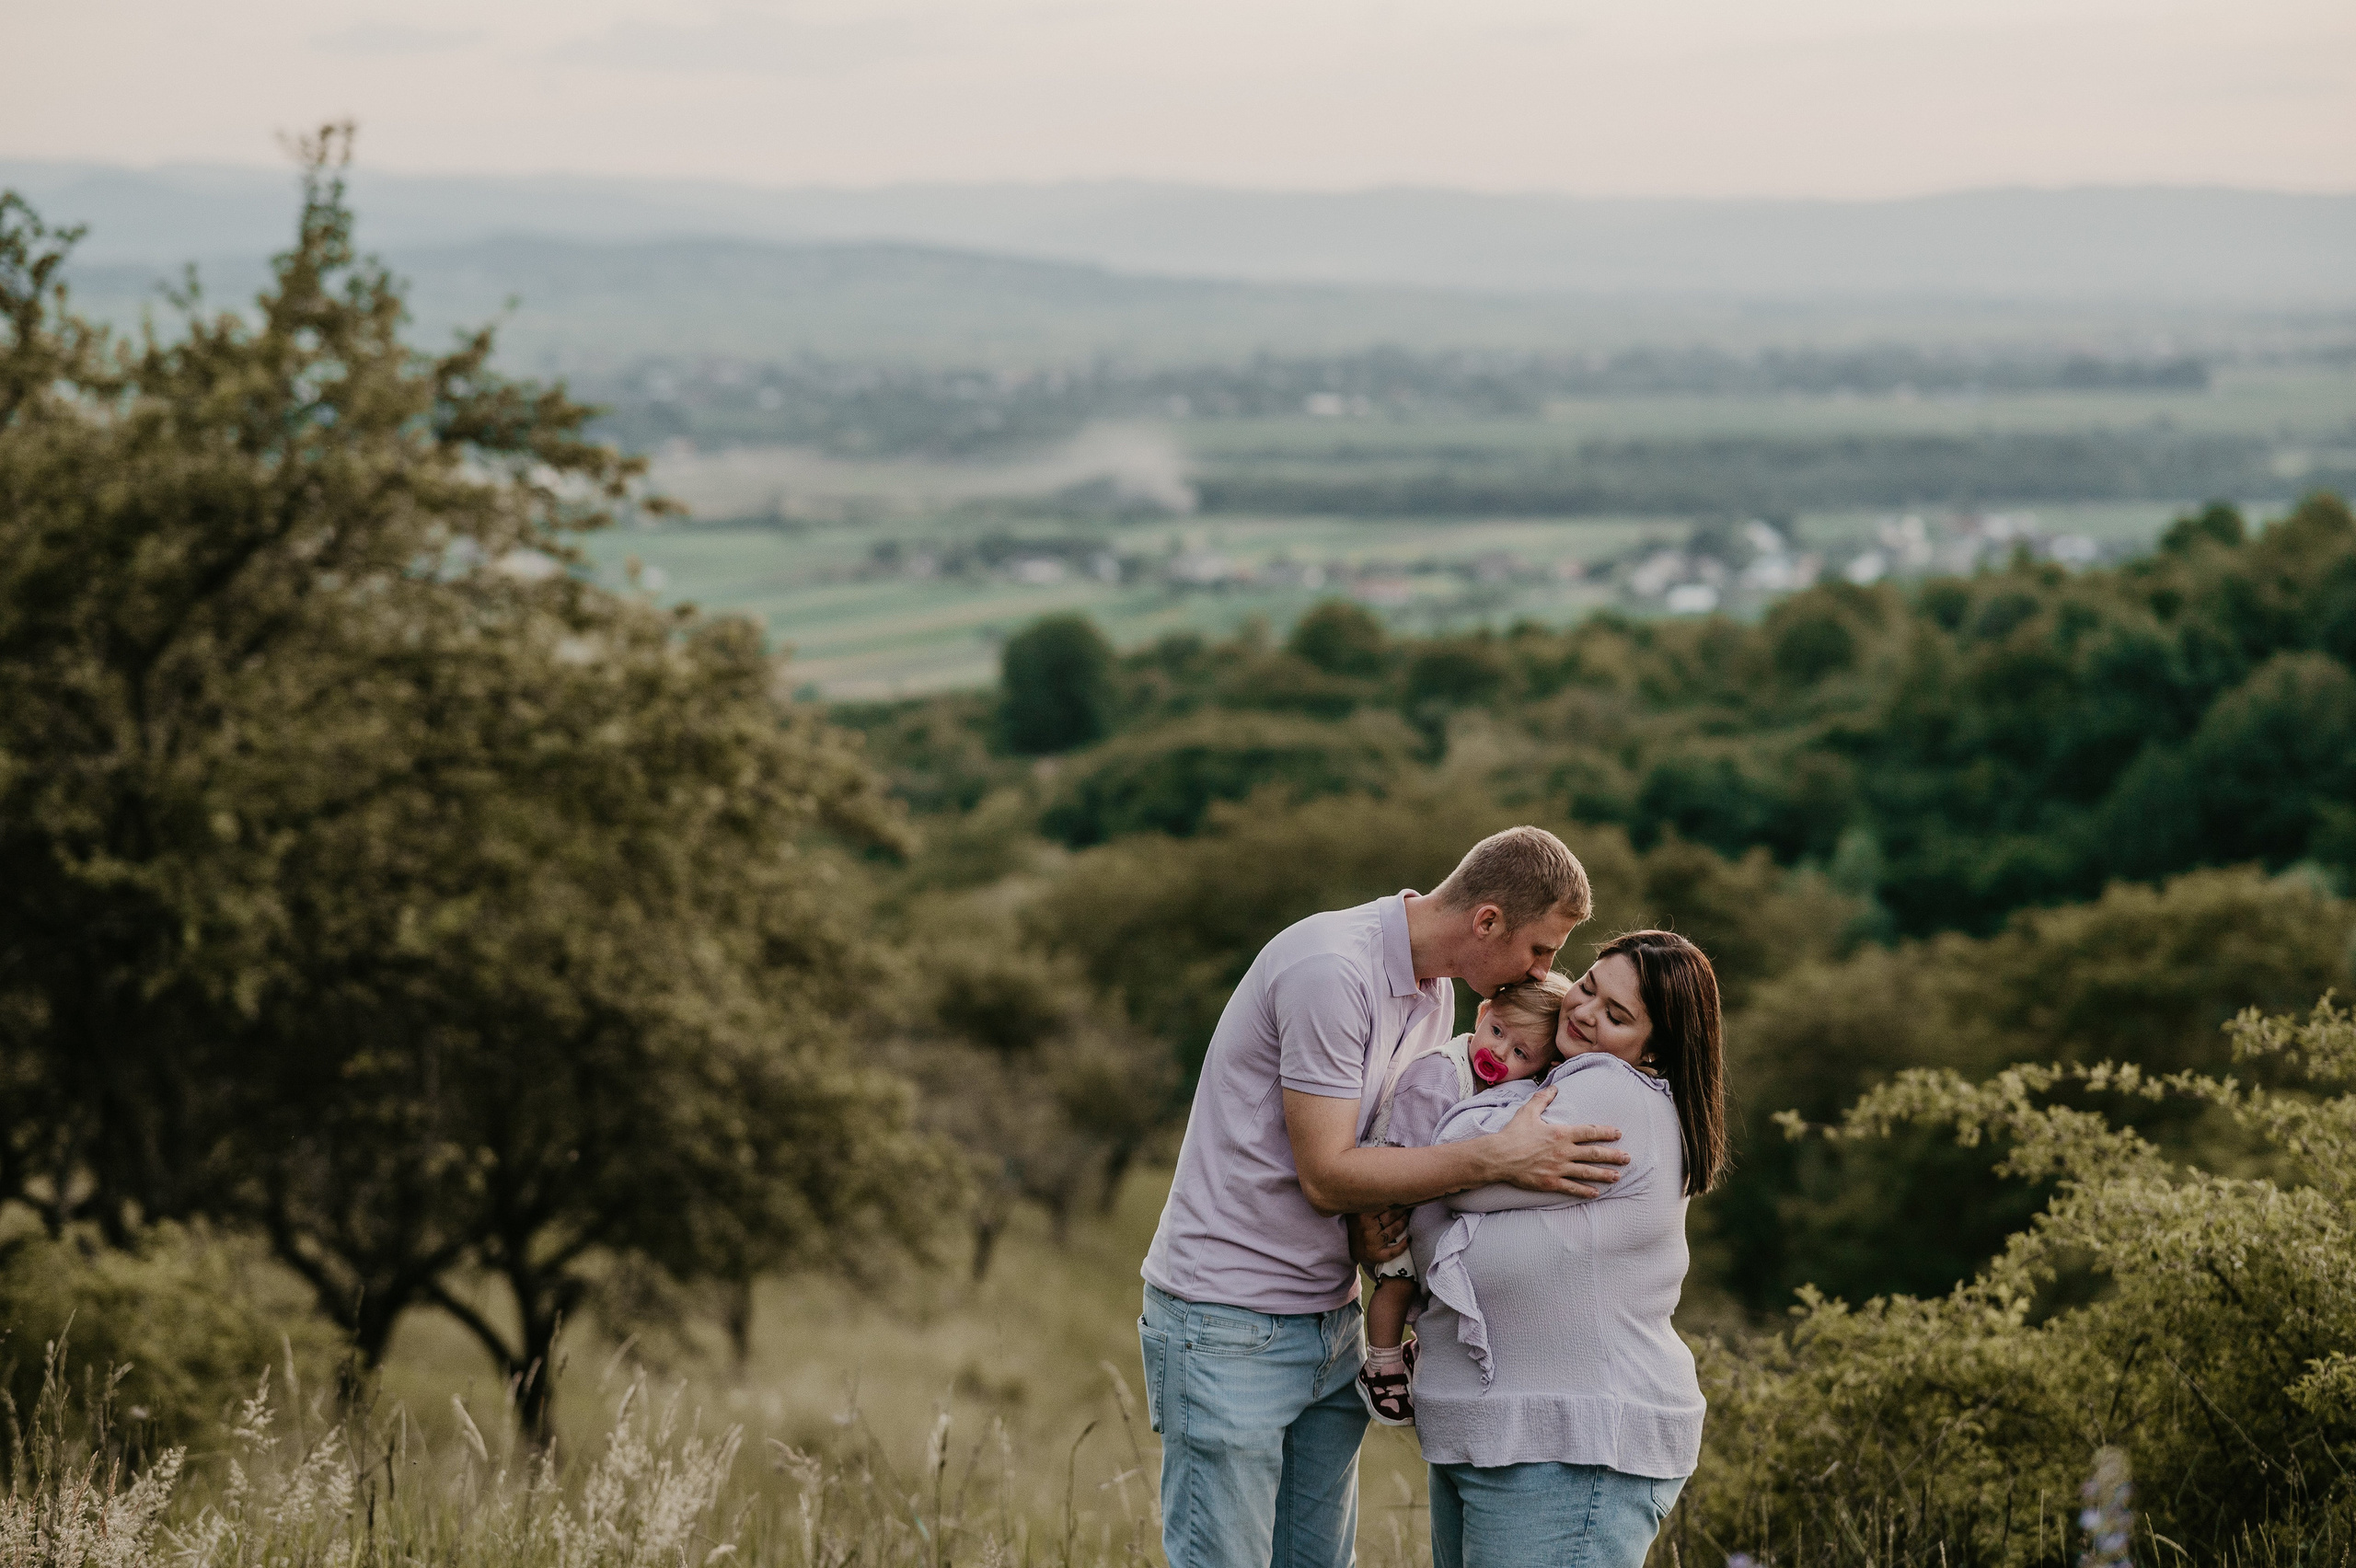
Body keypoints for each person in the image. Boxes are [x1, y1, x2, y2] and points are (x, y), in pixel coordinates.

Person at [1138, 826, 1632, 1568]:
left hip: (1327, 1320)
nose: (1545, 972)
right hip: (1227, 1320)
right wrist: (1500, 1156)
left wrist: (1375, 1242)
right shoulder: (1332, 970)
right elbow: (1329, 1174)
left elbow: (1386, 1156)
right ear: (1486, 920)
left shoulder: (1434, 998)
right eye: (1540, 949)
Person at [1405, 929, 1729, 1568]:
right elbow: (1468, 1172)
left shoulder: (1610, 1090)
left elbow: (1463, 1185)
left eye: (1616, 1015)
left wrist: (1469, 1152)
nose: (1583, 1013)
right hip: (1504, 1436)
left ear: (1655, 1048)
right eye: (1587, 988)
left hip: (1571, 1445)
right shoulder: (1562, 1079)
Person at [1356, 973, 1571, 1426]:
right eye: (1497, 1032)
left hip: (1429, 1197)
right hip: (1390, 1197)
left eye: (1520, 1053)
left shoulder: (1499, 1087)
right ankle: (1381, 1364)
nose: (1498, 1053)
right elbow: (1415, 1158)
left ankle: (1421, 1348)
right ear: (1482, 1014)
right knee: (1396, 1282)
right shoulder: (1439, 1076)